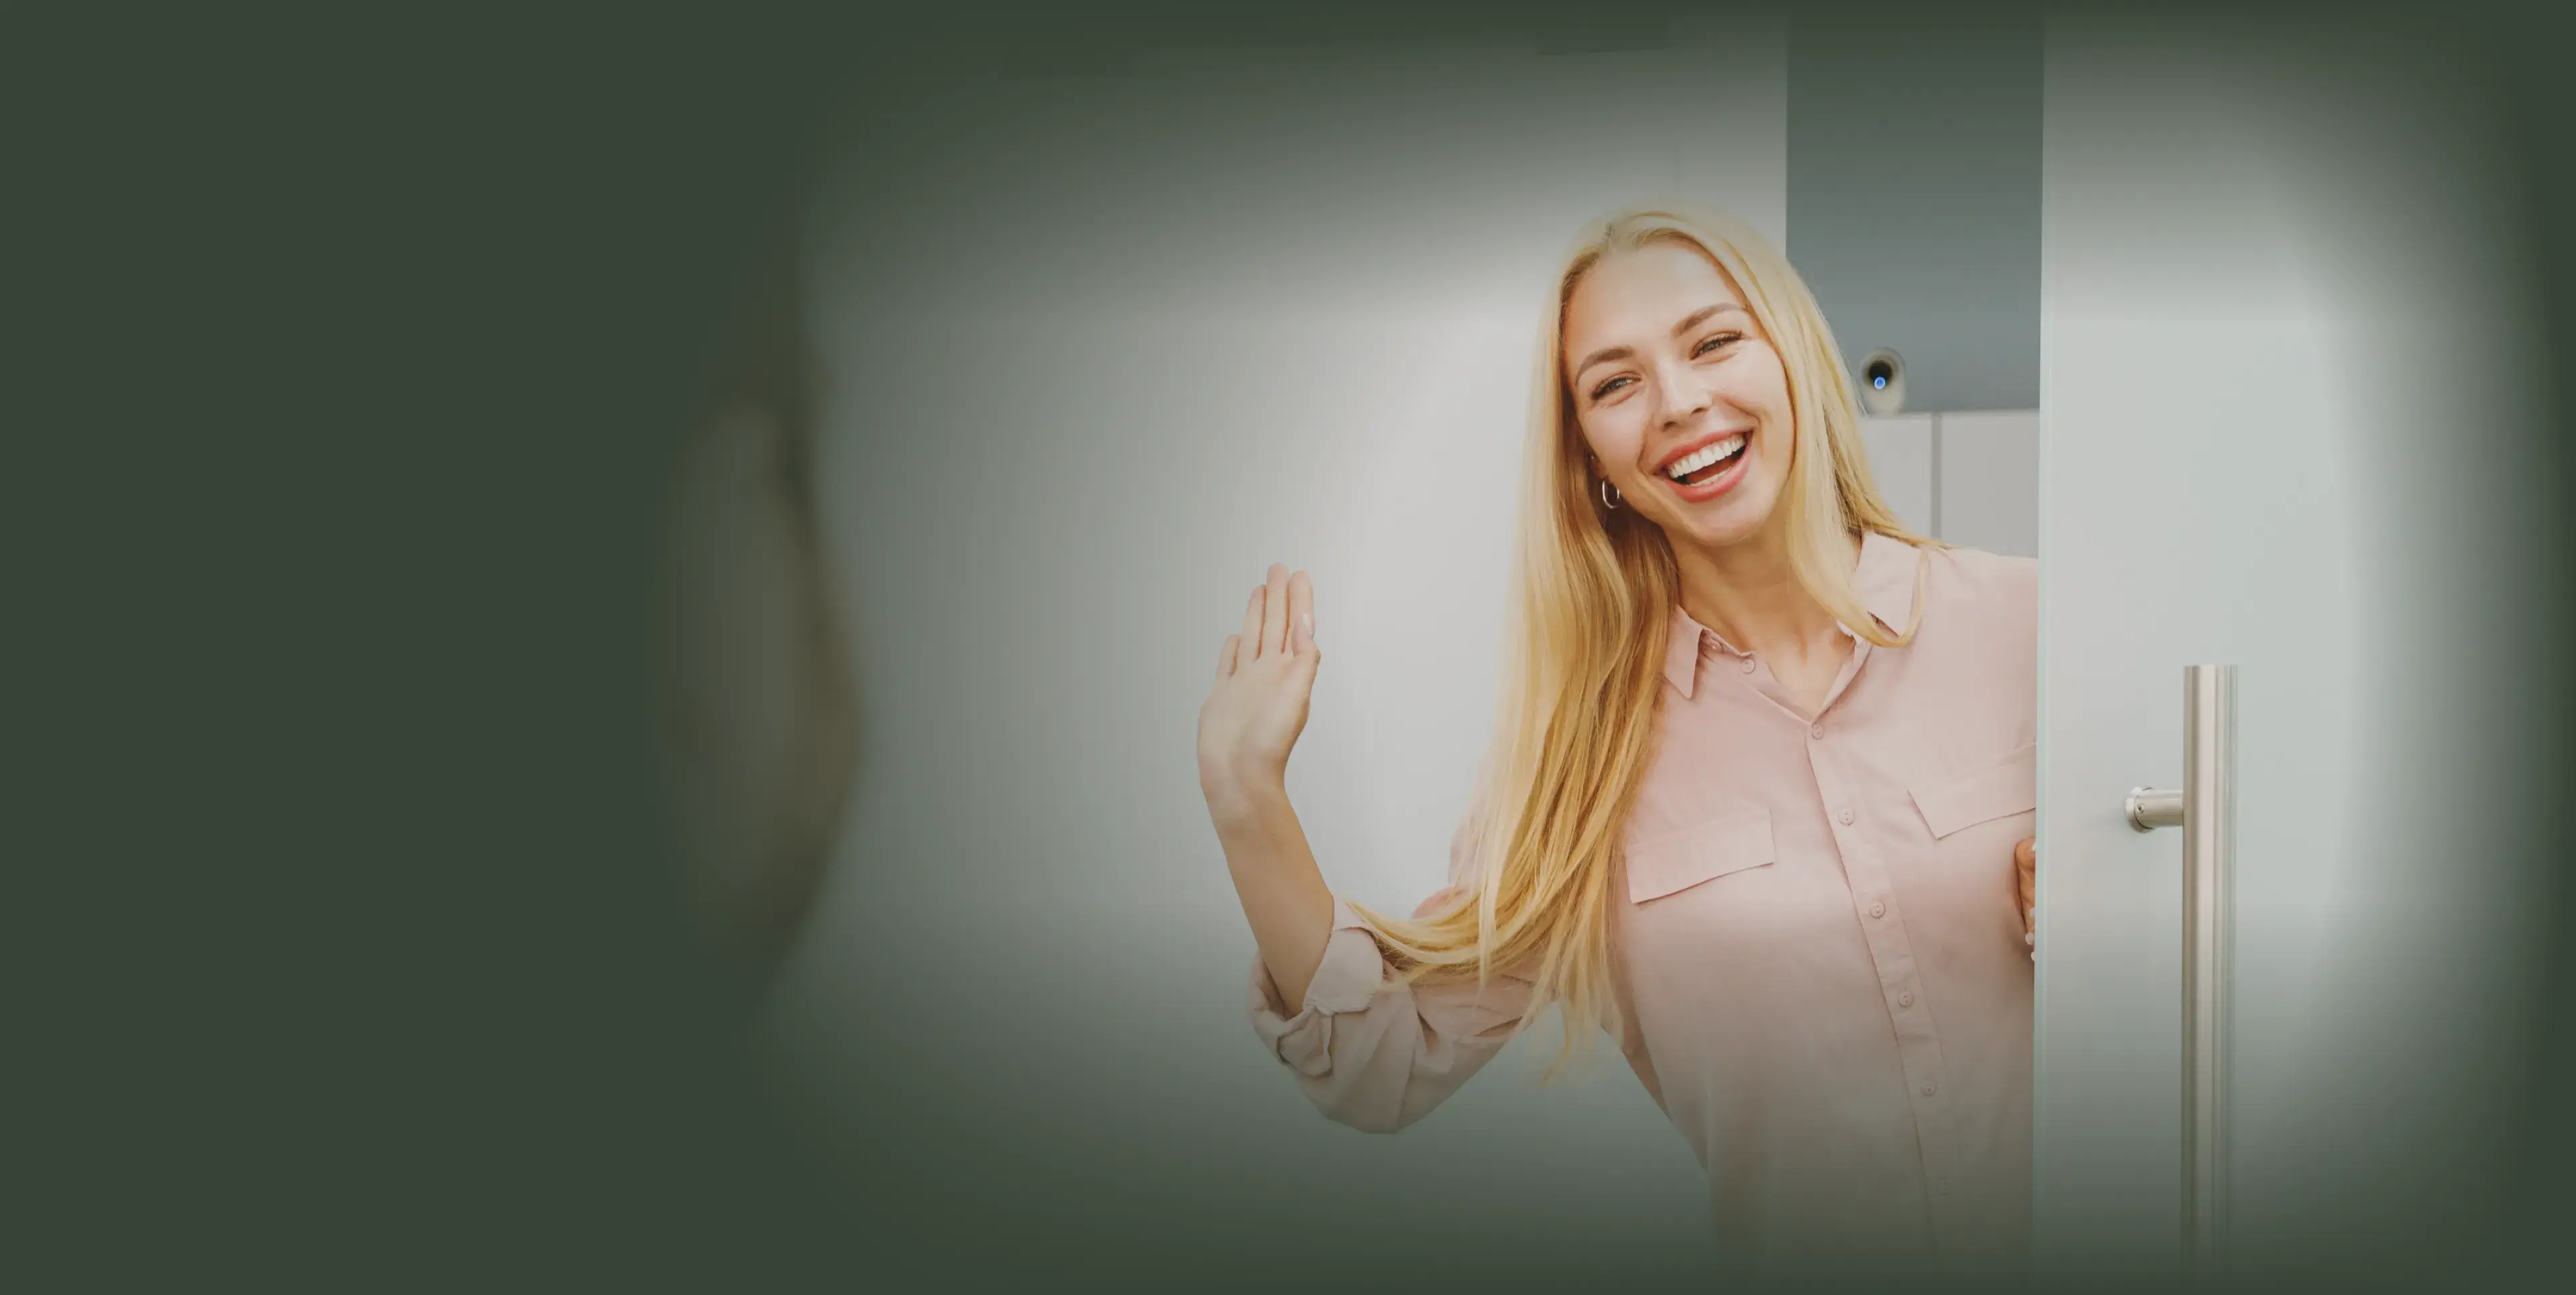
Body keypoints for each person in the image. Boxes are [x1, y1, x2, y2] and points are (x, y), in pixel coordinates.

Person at [1194, 204, 2040, 1280]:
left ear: (1793, 358)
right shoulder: (1580, 758)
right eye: (1614, 383)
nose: (1680, 404)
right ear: (1592, 456)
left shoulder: (2034, 626)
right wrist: (1244, 795)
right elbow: (1375, 1059)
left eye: (1713, 341)